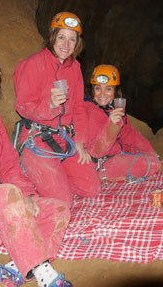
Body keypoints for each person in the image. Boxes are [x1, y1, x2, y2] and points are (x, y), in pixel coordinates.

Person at [0, 46, 73, 287]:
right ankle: (44, 274)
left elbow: (10, 165)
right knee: (5, 193)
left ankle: (12, 271)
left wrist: (27, 197)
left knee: (57, 208)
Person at [13, 11, 100, 207]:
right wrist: (50, 105)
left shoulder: (74, 67)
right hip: (38, 139)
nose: (66, 44)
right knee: (63, 202)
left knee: (91, 188)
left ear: (77, 43)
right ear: (52, 37)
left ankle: (54, 177)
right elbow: (23, 106)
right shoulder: (32, 65)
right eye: (61, 37)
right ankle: (35, 179)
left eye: (72, 39)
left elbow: (78, 107)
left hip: (64, 139)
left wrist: (79, 142)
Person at [84, 64, 161, 183]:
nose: (102, 94)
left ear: (116, 91)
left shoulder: (113, 110)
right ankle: (111, 178)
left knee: (150, 158)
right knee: (153, 164)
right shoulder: (89, 112)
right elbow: (96, 151)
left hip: (115, 156)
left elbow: (129, 134)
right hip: (101, 164)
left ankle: (125, 176)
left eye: (108, 89)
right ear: (92, 90)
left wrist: (149, 151)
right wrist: (111, 126)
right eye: (98, 88)